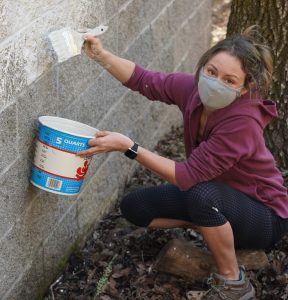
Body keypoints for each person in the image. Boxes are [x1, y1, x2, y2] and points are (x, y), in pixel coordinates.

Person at [77, 26, 288, 300]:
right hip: (217, 198)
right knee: (135, 207)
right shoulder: (193, 89)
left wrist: (129, 147)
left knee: (201, 194)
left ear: (245, 87)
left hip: (264, 217)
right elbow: (143, 80)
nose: (215, 82)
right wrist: (102, 56)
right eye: (211, 71)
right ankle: (213, 225)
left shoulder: (243, 122)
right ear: (203, 65)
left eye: (229, 80)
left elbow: (187, 176)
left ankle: (234, 283)